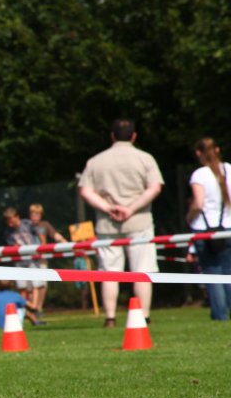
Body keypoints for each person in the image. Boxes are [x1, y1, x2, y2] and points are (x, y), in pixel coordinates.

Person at [77, 119, 164, 326]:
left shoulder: (95, 161)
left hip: (108, 224)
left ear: (112, 136)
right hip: (139, 222)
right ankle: (143, 316)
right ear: (134, 136)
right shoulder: (145, 158)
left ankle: (110, 317)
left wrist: (108, 208)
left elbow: (85, 191)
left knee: (109, 272)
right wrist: (131, 209)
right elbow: (155, 187)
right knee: (142, 271)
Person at [187, 137, 231, 321]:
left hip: (204, 230)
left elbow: (198, 203)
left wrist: (188, 218)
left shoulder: (199, 174)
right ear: (218, 150)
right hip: (228, 228)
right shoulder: (228, 169)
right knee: (228, 273)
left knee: (213, 274)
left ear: (198, 153)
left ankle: (219, 316)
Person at [26, 203, 67, 323]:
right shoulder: (26, 226)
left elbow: (55, 235)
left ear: (41, 215)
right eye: (32, 214)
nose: (34, 216)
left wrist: (66, 243)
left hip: (42, 258)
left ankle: (38, 307)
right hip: (29, 259)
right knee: (34, 284)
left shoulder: (45, 225)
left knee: (42, 284)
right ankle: (32, 309)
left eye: (37, 214)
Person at [1, 207, 43, 324]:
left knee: (35, 284)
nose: (10, 223)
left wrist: (41, 247)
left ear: (16, 216)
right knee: (22, 287)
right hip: (19, 262)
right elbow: (12, 245)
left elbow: (39, 233)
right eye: (7, 221)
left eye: (11, 220)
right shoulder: (8, 232)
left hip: (32, 259)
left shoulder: (27, 224)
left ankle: (34, 307)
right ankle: (25, 310)